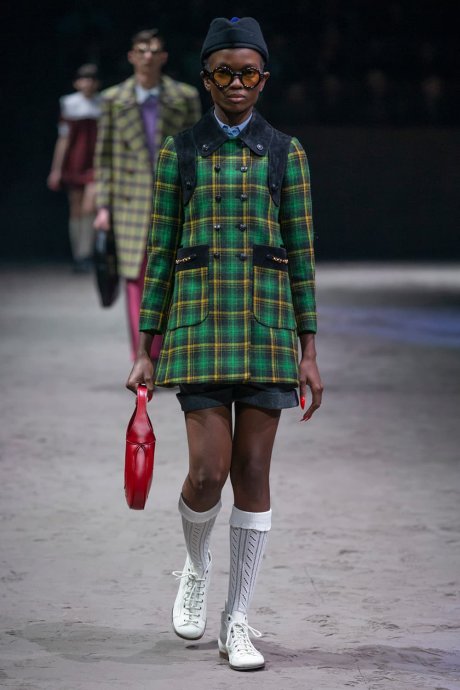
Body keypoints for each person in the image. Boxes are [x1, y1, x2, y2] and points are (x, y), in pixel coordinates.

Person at [127, 17, 323, 671]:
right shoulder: (180, 152)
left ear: (264, 78)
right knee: (208, 472)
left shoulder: (286, 153)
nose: (236, 83)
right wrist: (146, 347)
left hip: (266, 329)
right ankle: (196, 565)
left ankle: (236, 618)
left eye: (248, 73)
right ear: (206, 78)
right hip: (201, 326)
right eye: (223, 72)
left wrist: (309, 350)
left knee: (253, 472)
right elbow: (160, 254)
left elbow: (301, 255)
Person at [94, 29, 201, 361]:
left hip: (172, 198)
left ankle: (166, 353)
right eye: (141, 50)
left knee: (172, 275)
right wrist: (103, 206)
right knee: (135, 278)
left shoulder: (184, 97)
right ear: (131, 56)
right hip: (128, 202)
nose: (148, 56)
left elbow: (196, 151)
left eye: (154, 50)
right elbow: (104, 156)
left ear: (164, 57)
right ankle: (142, 357)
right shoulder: (113, 99)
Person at [47, 63, 101, 273]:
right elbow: (64, 138)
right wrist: (56, 169)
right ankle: (79, 255)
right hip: (75, 160)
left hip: (95, 161)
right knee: (76, 208)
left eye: (92, 79)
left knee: (90, 205)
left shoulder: (103, 103)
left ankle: (87, 252)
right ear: (77, 82)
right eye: (84, 79)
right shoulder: (69, 103)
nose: (88, 83)